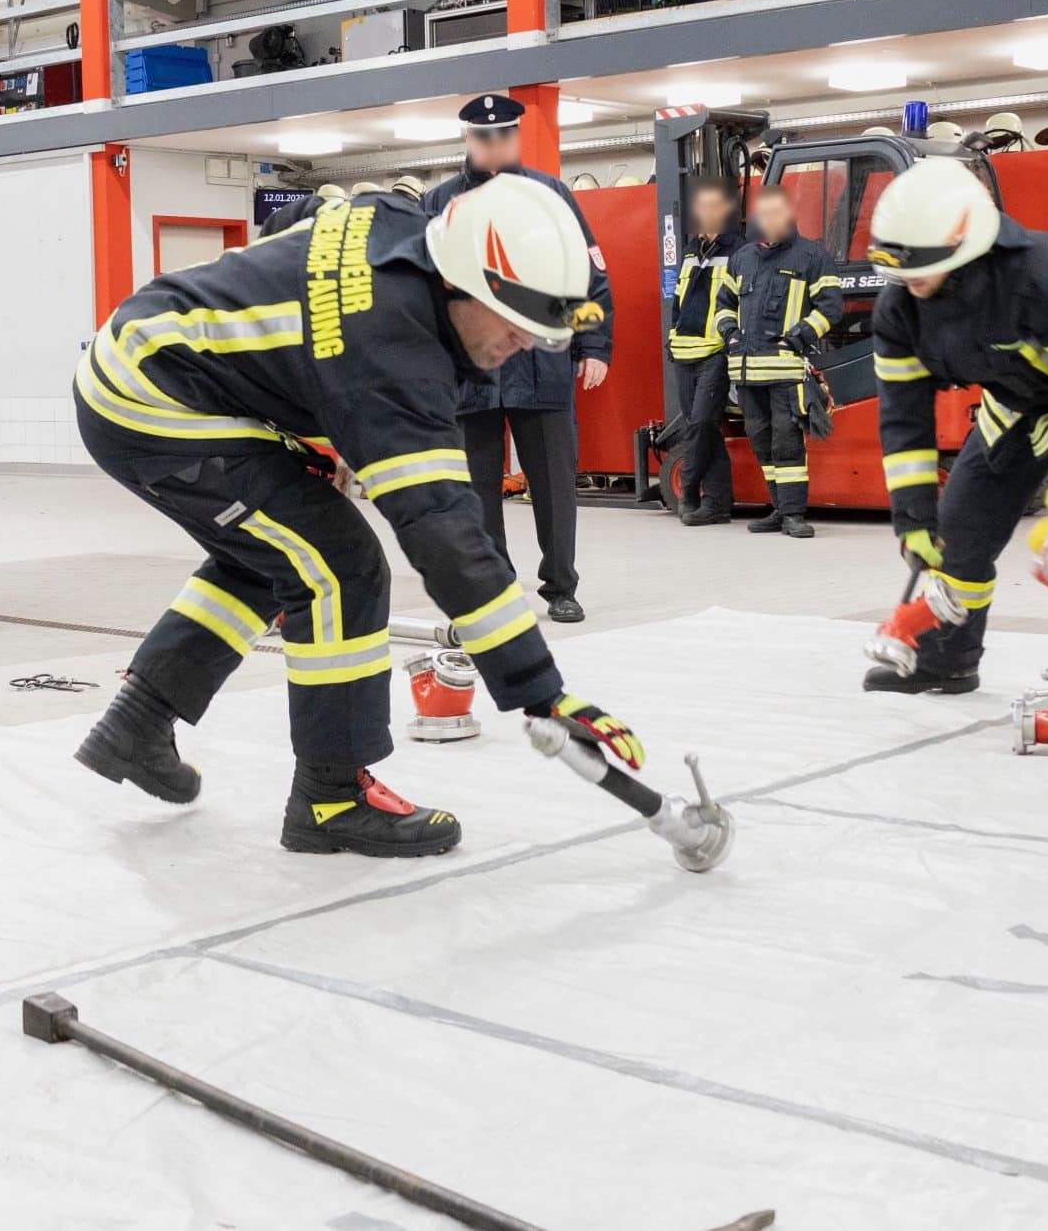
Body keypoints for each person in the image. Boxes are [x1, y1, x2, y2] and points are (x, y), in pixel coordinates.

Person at [72, 175, 645, 857]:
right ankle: (331, 797)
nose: (522, 342)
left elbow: (301, 218)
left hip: (144, 354)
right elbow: (445, 536)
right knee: (340, 565)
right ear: (461, 284)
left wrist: (317, 396)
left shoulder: (397, 221)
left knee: (276, 550)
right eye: (515, 322)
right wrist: (541, 692)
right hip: (150, 398)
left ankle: (138, 723)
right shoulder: (393, 355)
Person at [863, 158, 1048, 698]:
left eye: (919, 266)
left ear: (964, 246)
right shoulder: (899, 310)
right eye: (899, 269)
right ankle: (947, 663)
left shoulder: (1040, 273)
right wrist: (913, 517)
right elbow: (904, 422)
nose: (909, 281)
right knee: (958, 531)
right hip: (1018, 397)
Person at [421, 92, 613, 624]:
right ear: (467, 139)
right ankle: (495, 590)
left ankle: (561, 587)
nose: (494, 144)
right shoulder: (438, 204)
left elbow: (589, 274)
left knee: (553, 487)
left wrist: (593, 345)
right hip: (469, 373)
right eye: (483, 136)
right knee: (475, 492)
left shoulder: (550, 197)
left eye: (504, 134)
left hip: (541, 364)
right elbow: (416, 286)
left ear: (516, 137)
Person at [719, 184, 841, 538]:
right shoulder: (741, 258)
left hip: (785, 372)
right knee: (761, 442)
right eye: (764, 213)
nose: (769, 220)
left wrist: (795, 338)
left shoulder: (811, 257)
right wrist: (730, 335)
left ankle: (793, 515)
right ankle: (778, 508)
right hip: (747, 374)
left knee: (786, 444)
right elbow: (723, 305)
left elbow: (831, 309)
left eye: (776, 212)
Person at [668, 179, 745, 526]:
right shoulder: (689, 250)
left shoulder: (739, 251)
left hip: (715, 352)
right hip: (683, 352)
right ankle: (717, 504)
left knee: (701, 423)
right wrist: (672, 337)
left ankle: (688, 490)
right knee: (704, 429)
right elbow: (678, 300)